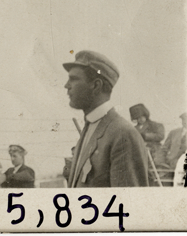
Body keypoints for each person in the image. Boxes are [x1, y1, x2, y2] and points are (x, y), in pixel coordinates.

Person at [62, 50, 148, 187]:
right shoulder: (90, 126)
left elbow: (127, 203)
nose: (66, 86)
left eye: (74, 79)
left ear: (96, 85)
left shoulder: (122, 134)